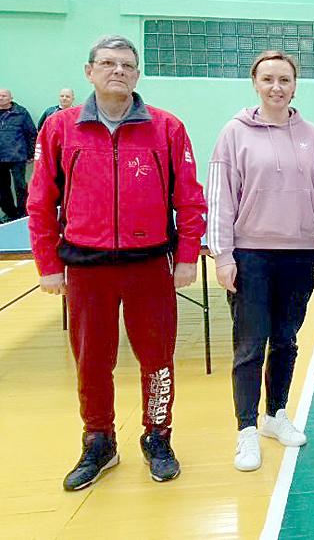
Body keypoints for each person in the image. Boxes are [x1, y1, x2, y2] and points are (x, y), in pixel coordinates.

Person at [28, 35, 207, 490]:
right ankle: (99, 440)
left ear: (137, 74)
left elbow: (189, 198)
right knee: (91, 361)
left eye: (127, 65)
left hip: (149, 266)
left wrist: (187, 255)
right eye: (108, 63)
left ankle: (158, 436)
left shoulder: (167, 127)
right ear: (89, 72)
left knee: (158, 360)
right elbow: (40, 201)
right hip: (86, 269)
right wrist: (47, 264)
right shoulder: (59, 128)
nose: (118, 71)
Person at [207, 50, 314, 472]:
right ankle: (246, 429)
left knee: (286, 339)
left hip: (299, 255)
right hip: (251, 255)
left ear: (294, 86)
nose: (276, 87)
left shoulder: (312, 136)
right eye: (268, 79)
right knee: (250, 345)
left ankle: (275, 415)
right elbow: (220, 197)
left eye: (284, 79)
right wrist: (223, 254)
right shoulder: (234, 133)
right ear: (255, 84)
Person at [0, 88, 37, 221]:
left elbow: (32, 134)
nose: (0, 98)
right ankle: (10, 214)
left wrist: (31, 153)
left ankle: (23, 213)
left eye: (4, 96)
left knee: (20, 186)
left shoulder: (21, 113)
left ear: (11, 98)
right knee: (2, 188)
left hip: (18, 156)